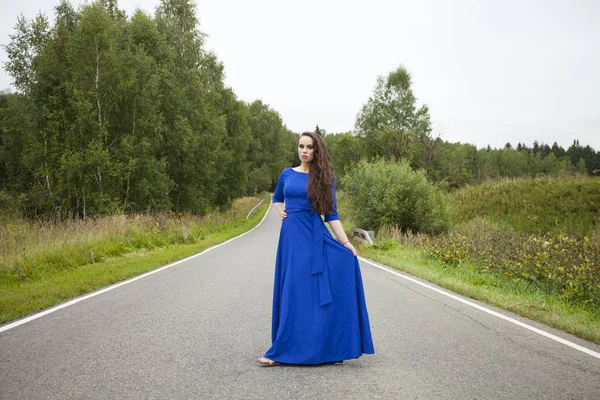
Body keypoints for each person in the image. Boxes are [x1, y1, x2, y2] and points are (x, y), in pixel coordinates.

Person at [258, 131, 374, 366]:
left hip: (313, 237)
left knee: (310, 293)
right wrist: (279, 209)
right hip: (291, 239)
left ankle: (323, 346)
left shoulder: (325, 178)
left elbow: (331, 214)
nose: (304, 150)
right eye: (301, 146)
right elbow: (277, 197)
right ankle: (282, 349)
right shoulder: (286, 174)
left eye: (309, 147)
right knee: (291, 289)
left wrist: (346, 243)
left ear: (316, 151)